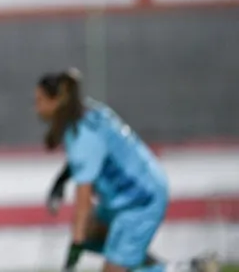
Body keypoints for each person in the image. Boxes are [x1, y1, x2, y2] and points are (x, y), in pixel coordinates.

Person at [35, 69, 218, 272]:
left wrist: (72, 257)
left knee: (96, 246)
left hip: (139, 199)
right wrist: (61, 182)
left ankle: (189, 270)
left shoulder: (82, 135)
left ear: (56, 101)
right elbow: (87, 158)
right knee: (89, 232)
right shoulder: (87, 114)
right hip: (127, 194)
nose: (37, 108)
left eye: (40, 100)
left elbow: (83, 202)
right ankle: (169, 267)